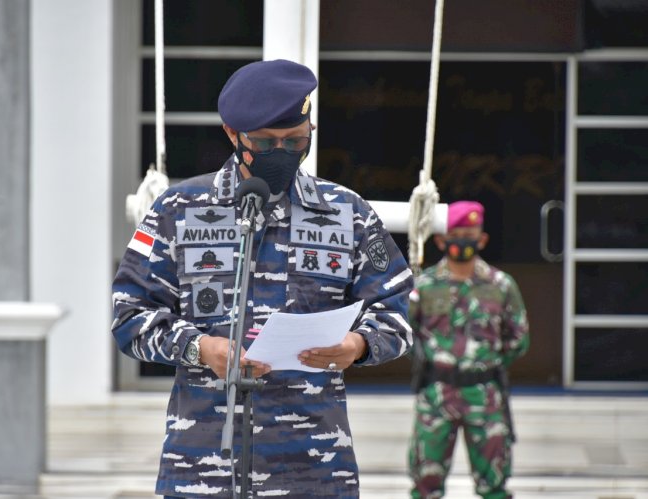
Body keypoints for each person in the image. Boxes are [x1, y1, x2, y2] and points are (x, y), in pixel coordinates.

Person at [111, 59, 414, 499]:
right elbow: (129, 314)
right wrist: (201, 348)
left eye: (295, 140)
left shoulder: (348, 212)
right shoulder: (178, 210)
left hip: (314, 464)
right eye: (267, 142)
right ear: (233, 134)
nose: (283, 152)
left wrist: (358, 345)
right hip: (202, 466)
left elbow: (399, 311)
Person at [407, 200, 530, 499]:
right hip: (437, 392)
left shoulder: (501, 285)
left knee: (494, 484)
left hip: (485, 394)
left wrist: (486, 364)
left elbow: (519, 338)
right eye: (456, 235)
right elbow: (407, 333)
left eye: (469, 234)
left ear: (482, 239)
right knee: (426, 483)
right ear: (441, 240)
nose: (462, 241)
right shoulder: (424, 286)